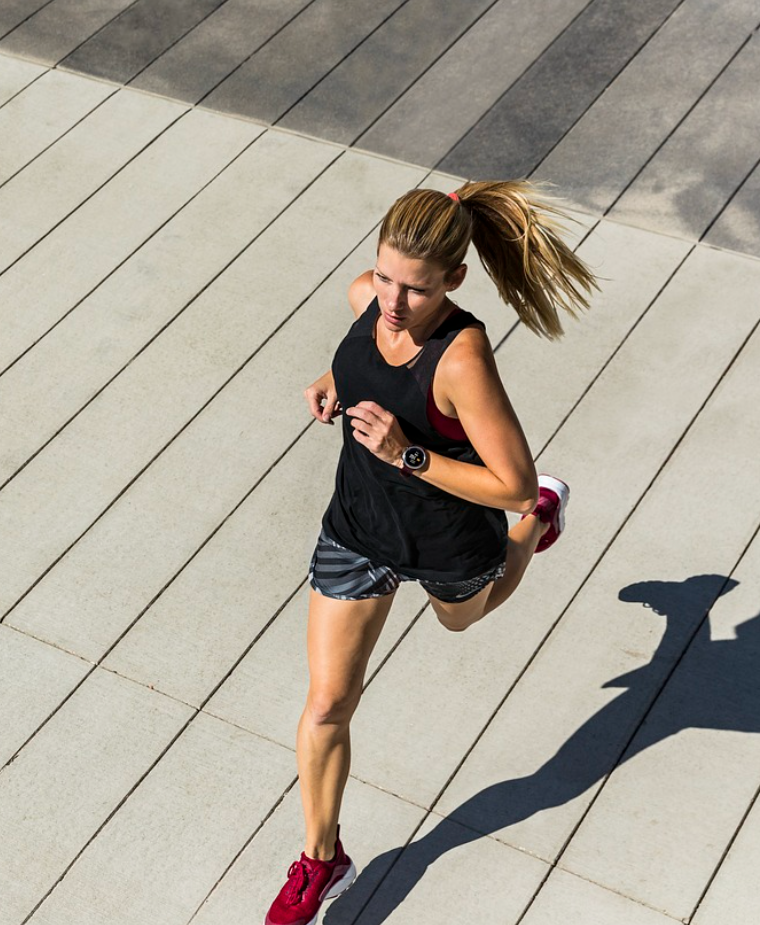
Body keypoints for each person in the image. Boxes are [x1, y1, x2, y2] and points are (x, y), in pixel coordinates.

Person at [264, 181, 598, 925]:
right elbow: (364, 352)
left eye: (414, 289)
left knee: (462, 618)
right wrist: (332, 378)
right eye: (385, 276)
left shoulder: (461, 357)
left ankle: (539, 525)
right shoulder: (369, 297)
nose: (392, 301)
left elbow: (509, 482)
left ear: (454, 280)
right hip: (358, 527)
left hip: (448, 534)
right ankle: (321, 859)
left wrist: (406, 454)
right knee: (327, 704)